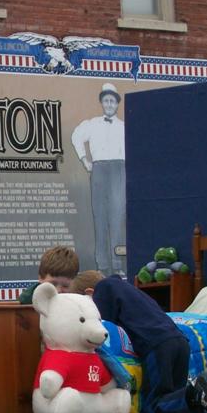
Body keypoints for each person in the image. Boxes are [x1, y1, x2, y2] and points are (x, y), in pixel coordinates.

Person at [91, 276, 207, 413]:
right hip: (181, 341)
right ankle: (201, 397)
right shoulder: (132, 292)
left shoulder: (104, 288)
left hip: (157, 345)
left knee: (153, 404)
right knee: (174, 399)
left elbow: (104, 325)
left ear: (89, 293)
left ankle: (197, 392)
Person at [71, 83, 127, 277]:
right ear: (102, 102)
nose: (109, 104)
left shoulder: (123, 127)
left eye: (113, 101)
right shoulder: (93, 123)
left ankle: (117, 263)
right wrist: (84, 159)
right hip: (99, 170)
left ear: (117, 104)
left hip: (119, 169)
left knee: (117, 216)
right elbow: (76, 136)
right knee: (100, 217)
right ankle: (102, 264)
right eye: (106, 100)